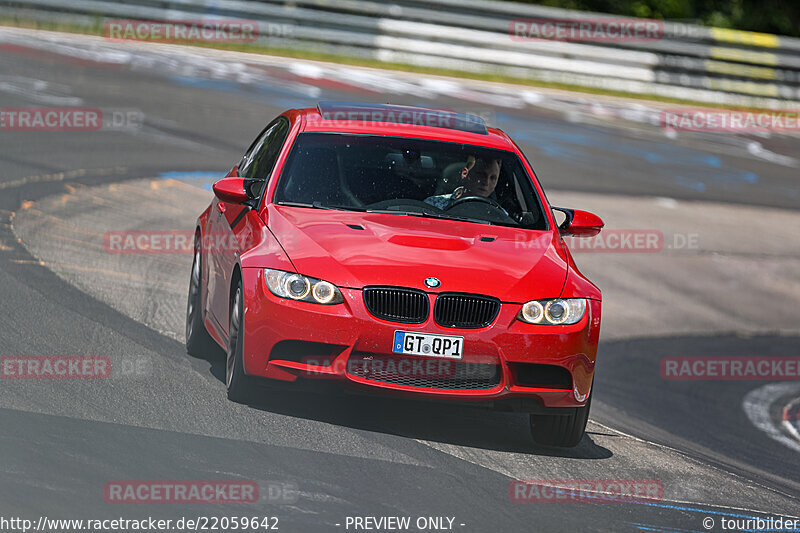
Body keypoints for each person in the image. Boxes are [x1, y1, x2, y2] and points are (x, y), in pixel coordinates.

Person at [425, 156, 502, 210]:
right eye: (481, 175)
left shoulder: (500, 216)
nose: (486, 182)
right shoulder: (433, 205)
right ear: (464, 173)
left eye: (492, 178)